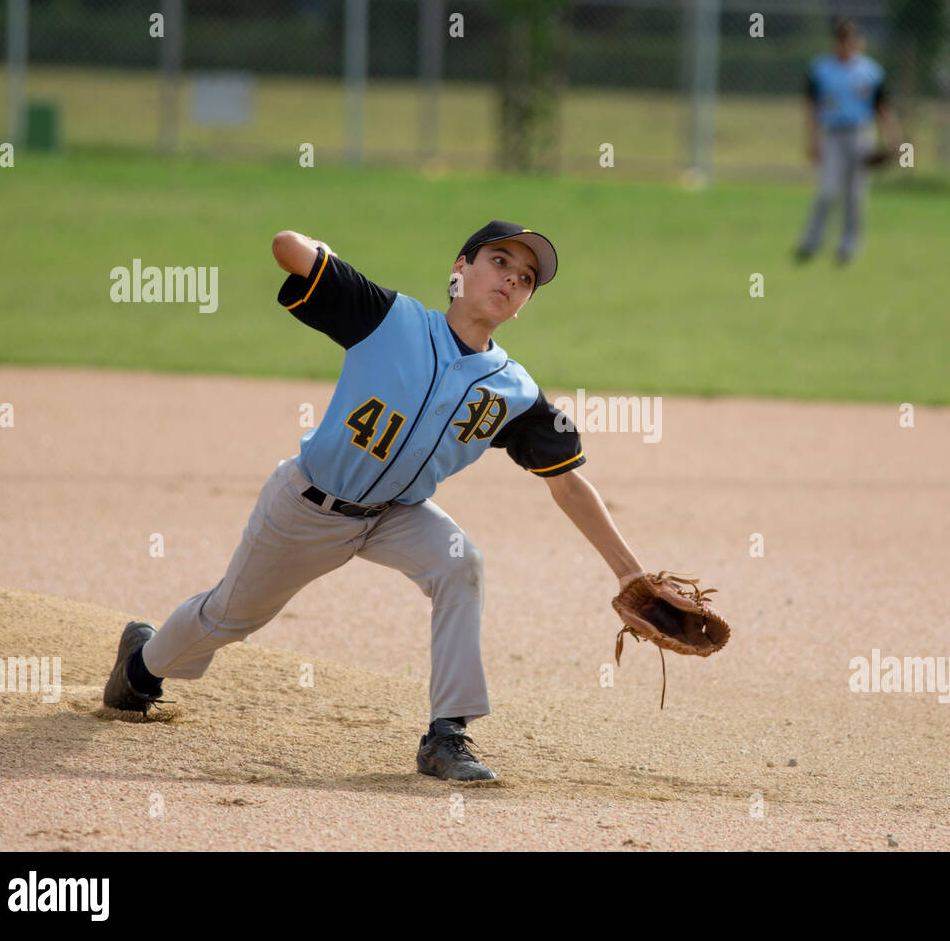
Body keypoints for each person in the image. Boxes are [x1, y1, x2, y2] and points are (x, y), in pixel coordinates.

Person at [104, 220, 652, 781]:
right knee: (227, 619)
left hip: (397, 516)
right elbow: (285, 248)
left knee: (461, 562)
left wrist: (629, 574)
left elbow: (566, 481)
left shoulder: (515, 390)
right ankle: (141, 667)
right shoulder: (390, 320)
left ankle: (447, 735)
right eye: (499, 261)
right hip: (306, 508)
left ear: (525, 303)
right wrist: (326, 262)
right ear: (459, 270)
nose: (511, 278)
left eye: (526, 277)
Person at [795, 17, 902, 266]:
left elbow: (882, 108)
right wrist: (811, 140)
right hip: (832, 134)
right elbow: (811, 107)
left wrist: (894, 138)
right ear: (835, 42)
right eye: (841, 39)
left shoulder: (870, 71)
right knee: (828, 190)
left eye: (850, 39)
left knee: (855, 194)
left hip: (860, 133)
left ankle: (848, 247)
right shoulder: (821, 69)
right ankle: (811, 242)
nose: (846, 44)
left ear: (858, 42)